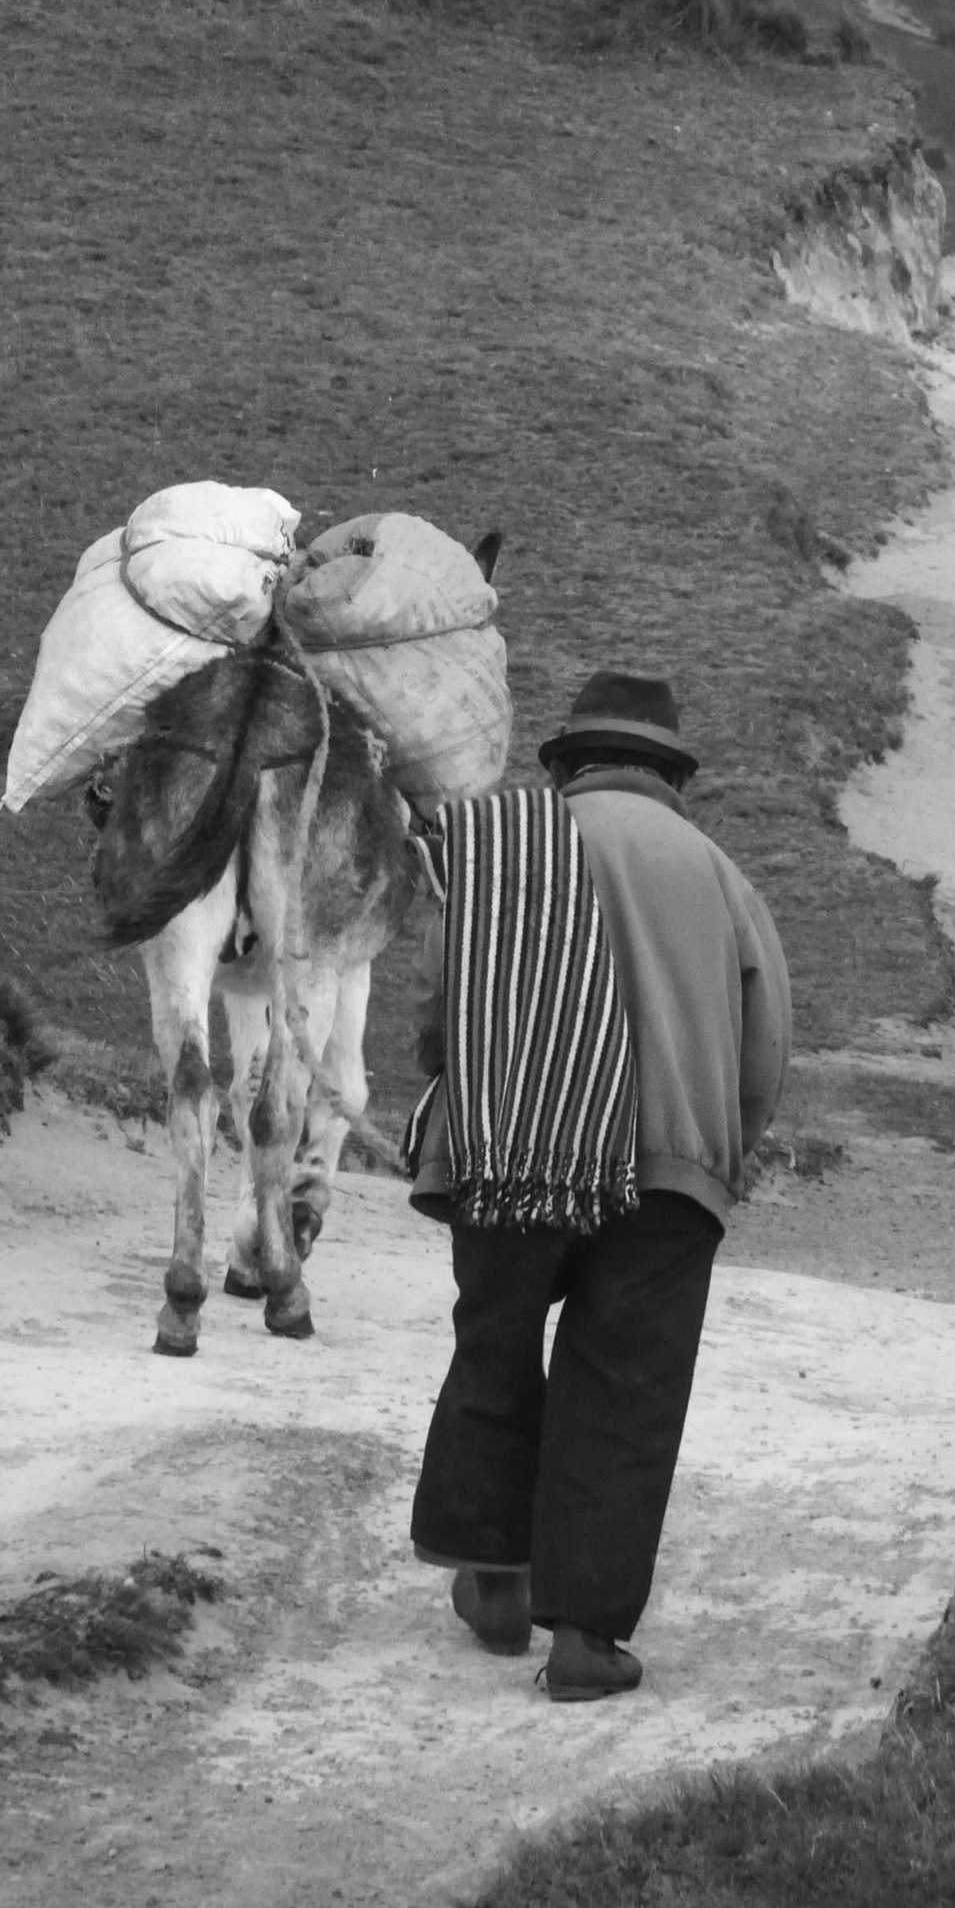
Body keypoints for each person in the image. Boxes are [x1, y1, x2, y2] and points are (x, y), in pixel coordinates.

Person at [402, 670, 791, 1701]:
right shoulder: (718, 874)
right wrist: (710, 1157)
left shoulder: (498, 848)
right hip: (669, 1171)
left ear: (567, 764)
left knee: (495, 1344)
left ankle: (493, 1584)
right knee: (624, 1386)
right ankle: (584, 1638)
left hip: (509, 1149)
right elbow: (764, 1048)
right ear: (672, 776)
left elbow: (438, 1018)